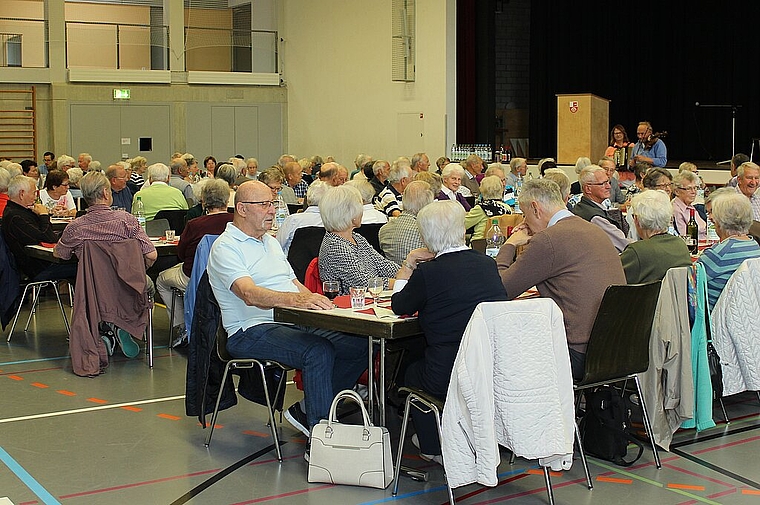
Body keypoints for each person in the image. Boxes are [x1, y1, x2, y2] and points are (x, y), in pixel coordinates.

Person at [207, 180, 368, 442]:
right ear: (242, 209)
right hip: (249, 330)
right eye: (264, 205)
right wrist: (298, 302)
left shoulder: (270, 242)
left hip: (289, 322)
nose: (272, 210)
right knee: (318, 350)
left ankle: (310, 410)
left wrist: (318, 304)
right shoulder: (226, 247)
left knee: (359, 344)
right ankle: (321, 437)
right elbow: (249, 294)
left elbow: (294, 285)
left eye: (272, 203)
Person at [392, 199, 507, 462]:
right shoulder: (486, 265)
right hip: (486, 368)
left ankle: (432, 446)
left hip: (447, 372)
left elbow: (399, 306)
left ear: (427, 235)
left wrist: (409, 263)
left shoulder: (429, 272)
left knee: (411, 371)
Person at [496, 178, 625, 380]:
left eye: (525, 215)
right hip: (618, 347)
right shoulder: (593, 229)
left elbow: (501, 290)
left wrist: (510, 244)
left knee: (502, 349)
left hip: (579, 353)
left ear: (535, 208)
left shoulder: (548, 239)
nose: (524, 222)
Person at [53, 171, 157, 357]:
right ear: (106, 193)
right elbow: (152, 254)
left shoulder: (76, 227)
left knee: (102, 292)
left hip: (94, 289)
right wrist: (139, 270)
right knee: (148, 285)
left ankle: (108, 330)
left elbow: (60, 253)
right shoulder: (127, 221)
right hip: (129, 286)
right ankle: (125, 325)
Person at [156, 179, 233, 345]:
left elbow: (181, 254)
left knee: (161, 280)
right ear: (227, 200)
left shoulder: (194, 224)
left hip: (195, 276)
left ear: (203, 201)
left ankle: (181, 325)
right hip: (230, 278)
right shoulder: (237, 222)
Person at [318, 185, 400, 295]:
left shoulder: (356, 238)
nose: (362, 212)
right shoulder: (335, 246)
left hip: (366, 300)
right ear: (350, 214)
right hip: (348, 307)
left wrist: (408, 271)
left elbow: (383, 265)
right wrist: (401, 282)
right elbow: (364, 283)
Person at [3, 175, 77, 282]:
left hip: (42, 261)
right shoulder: (15, 217)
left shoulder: (22, 211)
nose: (36, 197)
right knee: (84, 266)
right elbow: (48, 237)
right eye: (34, 193)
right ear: (22, 194)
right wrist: (43, 215)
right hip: (38, 267)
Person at [698, 189, 760, 312]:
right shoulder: (754, 245)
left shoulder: (719, 254)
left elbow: (690, 283)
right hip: (746, 315)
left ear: (720, 221)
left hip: (715, 318)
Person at [620, 190, 691, 284]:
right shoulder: (680, 244)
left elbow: (612, 277)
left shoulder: (637, 251)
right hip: (677, 298)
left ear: (637, 219)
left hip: (647, 298)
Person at [571, 165, 630, 252]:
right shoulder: (595, 217)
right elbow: (624, 245)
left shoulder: (581, 207)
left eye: (608, 182)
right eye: (603, 184)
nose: (608, 187)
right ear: (588, 189)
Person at [379, 180, 433, 265]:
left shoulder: (384, 230)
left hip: (393, 275)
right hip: (420, 275)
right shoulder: (427, 232)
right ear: (428, 204)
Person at [277, 180, 329, 254]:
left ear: (307, 199)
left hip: (291, 264)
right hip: (320, 264)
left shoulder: (293, 220)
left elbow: (277, 246)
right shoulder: (331, 223)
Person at [464, 175, 512, 240]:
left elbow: (463, 225)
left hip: (480, 244)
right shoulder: (507, 208)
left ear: (482, 190)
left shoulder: (481, 208)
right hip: (501, 242)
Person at [672, 170, 707, 241]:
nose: (693, 192)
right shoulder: (676, 210)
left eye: (695, 188)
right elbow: (685, 238)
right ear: (677, 191)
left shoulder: (691, 206)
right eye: (689, 189)